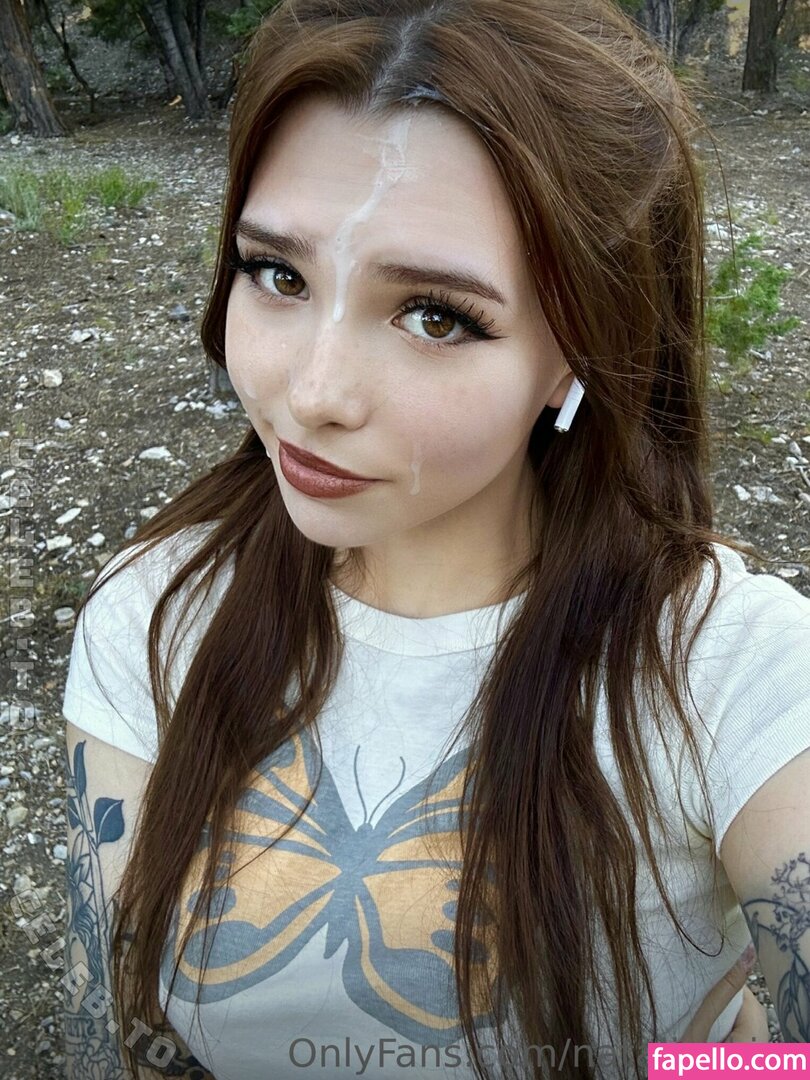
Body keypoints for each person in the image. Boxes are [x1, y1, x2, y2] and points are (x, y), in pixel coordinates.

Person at [61, 0, 810, 1077]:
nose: (312, 394)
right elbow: (114, 1034)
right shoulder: (156, 612)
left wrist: (692, 1067)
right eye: (278, 274)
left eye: (435, 315)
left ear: (580, 346)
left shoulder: (728, 667)